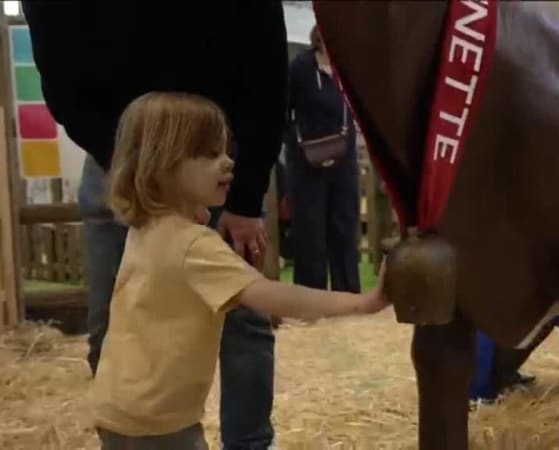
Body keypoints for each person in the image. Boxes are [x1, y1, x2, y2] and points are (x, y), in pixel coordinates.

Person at [22, 2, 287, 448]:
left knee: (241, 321)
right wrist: (136, 168)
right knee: (116, 326)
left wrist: (244, 198)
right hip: (120, 156)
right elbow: (64, 83)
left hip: (217, 158)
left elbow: (267, 70)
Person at [94, 91, 390, 450]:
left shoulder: (146, 227)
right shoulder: (193, 246)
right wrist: (365, 303)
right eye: (208, 154)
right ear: (162, 164)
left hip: (116, 407)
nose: (227, 162)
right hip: (161, 424)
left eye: (225, 150)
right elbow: (276, 296)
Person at [285, 25, 361, 293]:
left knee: (345, 226)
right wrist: (297, 139)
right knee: (310, 230)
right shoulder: (301, 67)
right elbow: (284, 109)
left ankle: (348, 295)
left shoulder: (348, 66)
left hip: (344, 158)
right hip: (308, 161)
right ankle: (309, 297)